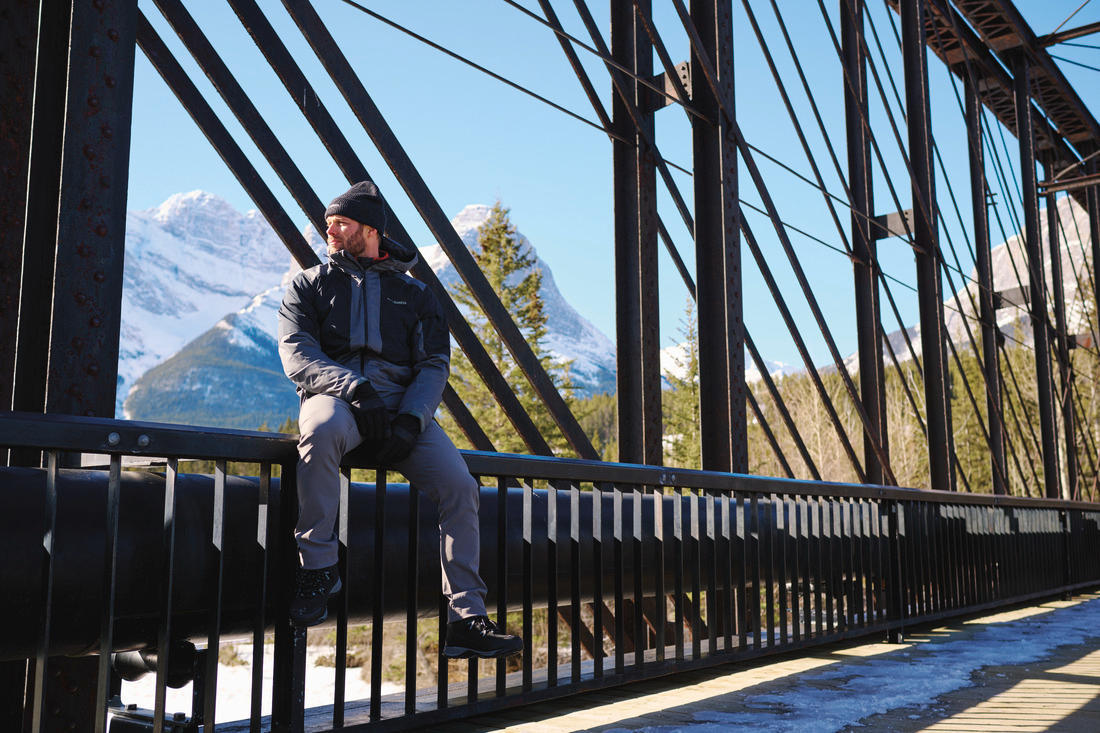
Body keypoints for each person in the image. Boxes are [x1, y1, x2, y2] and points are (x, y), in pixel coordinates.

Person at [277, 180, 522, 660]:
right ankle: (318, 567)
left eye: (341, 222)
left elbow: (433, 365)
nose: (330, 230)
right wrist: (355, 389)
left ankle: (467, 618)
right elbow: (297, 355)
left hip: (402, 407)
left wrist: (412, 419)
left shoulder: (416, 295)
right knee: (320, 431)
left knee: (459, 485)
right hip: (336, 397)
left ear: (370, 229)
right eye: (328, 223)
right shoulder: (307, 284)